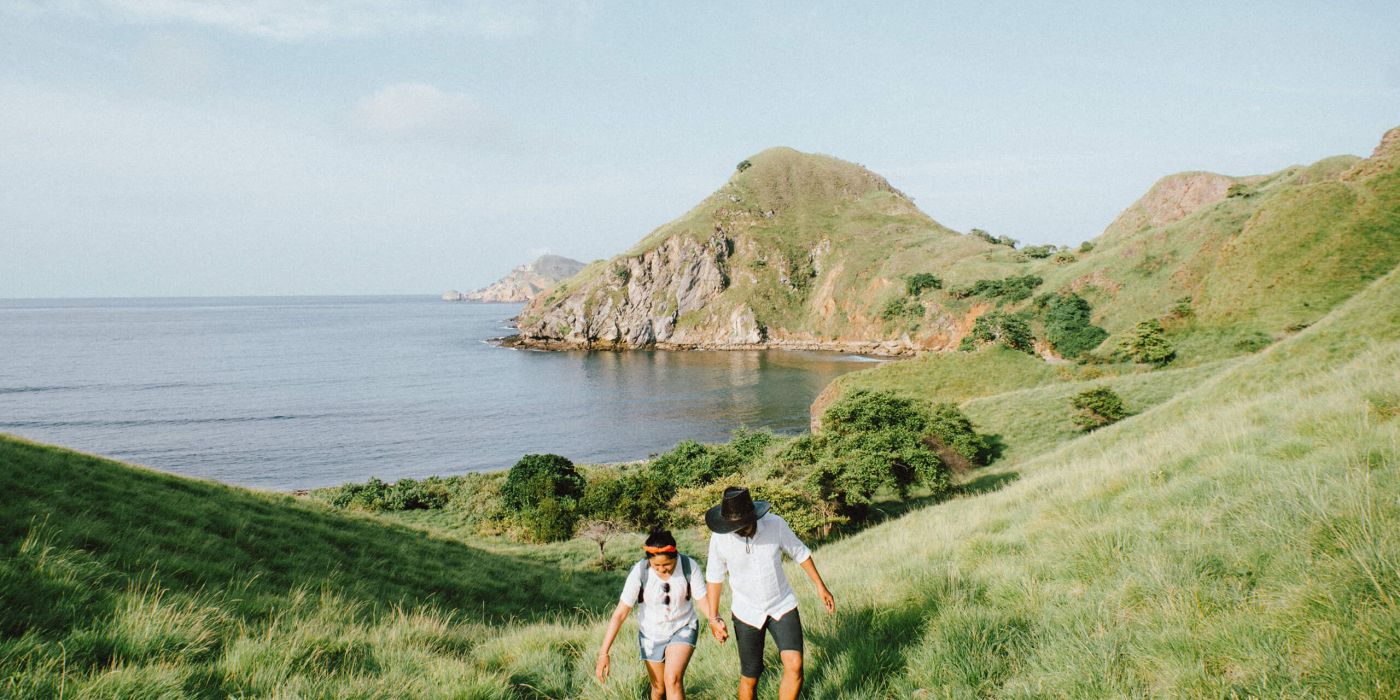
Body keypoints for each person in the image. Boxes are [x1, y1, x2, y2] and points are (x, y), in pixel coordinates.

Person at [703, 486, 835, 700]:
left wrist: (820, 586)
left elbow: (800, 552)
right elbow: (714, 577)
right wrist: (713, 617)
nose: (738, 530)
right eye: (734, 527)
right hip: (746, 611)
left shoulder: (775, 524)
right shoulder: (720, 538)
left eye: (743, 525)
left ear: (753, 516)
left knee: (795, 665)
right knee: (750, 677)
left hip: (782, 604)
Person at [596, 530, 708, 700]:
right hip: (651, 634)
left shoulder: (688, 566)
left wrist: (714, 620)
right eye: (656, 565)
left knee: (673, 680)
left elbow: (702, 600)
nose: (662, 569)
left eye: (667, 564)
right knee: (658, 688)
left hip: (683, 627)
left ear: (675, 556)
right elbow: (620, 614)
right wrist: (604, 653)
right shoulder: (640, 571)